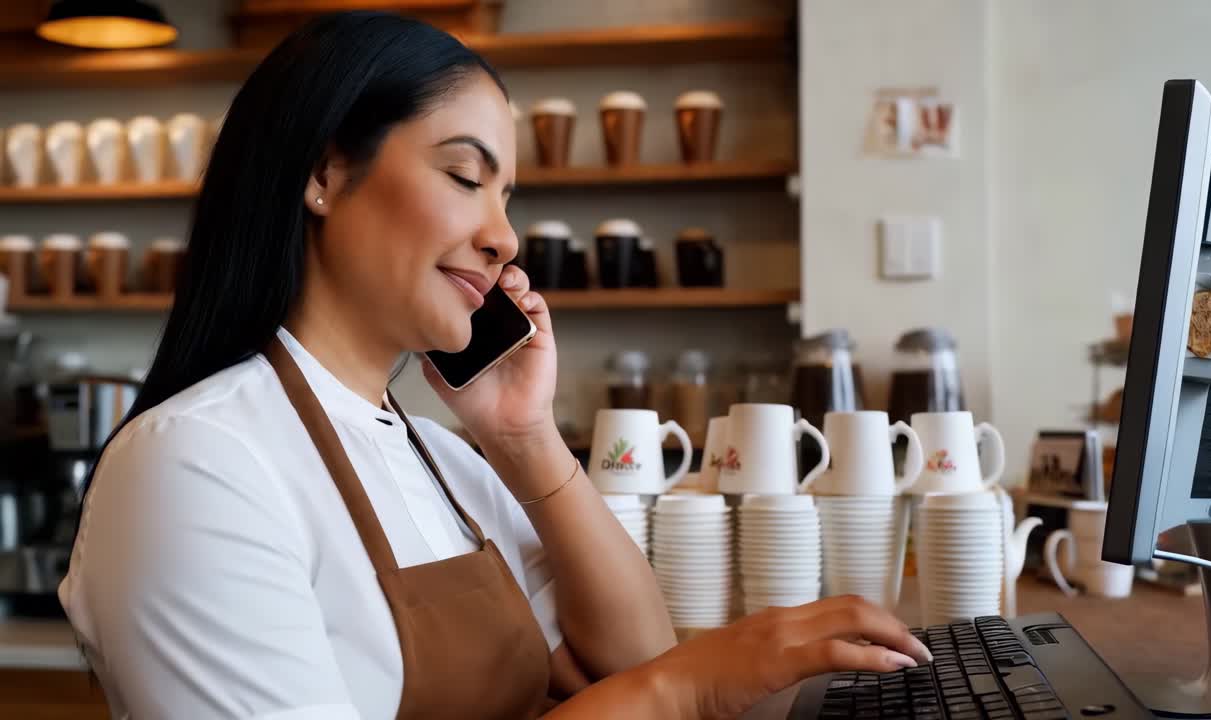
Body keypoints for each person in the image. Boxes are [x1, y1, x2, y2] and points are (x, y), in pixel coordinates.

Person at [59, 11, 930, 719]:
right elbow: (660, 680)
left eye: (507, 196)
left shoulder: (439, 458)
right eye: (465, 176)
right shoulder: (195, 462)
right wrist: (689, 689)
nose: (504, 236)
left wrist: (525, 439)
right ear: (324, 172)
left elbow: (633, 656)